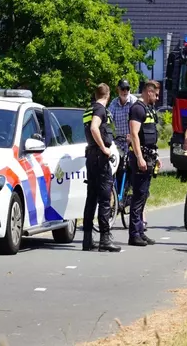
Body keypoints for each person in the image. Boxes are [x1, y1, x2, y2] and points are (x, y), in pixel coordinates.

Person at [81, 83, 121, 252]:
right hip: (100, 157)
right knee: (105, 199)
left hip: (91, 156)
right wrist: (105, 149)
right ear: (108, 95)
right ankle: (105, 238)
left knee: (91, 198)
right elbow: (94, 128)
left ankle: (87, 239)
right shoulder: (100, 110)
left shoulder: (89, 109)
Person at [128, 80, 161, 247]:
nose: (157, 97)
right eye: (155, 94)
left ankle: (140, 231)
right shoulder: (137, 108)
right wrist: (139, 157)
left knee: (144, 195)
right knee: (138, 196)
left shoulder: (148, 109)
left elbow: (150, 136)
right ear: (148, 91)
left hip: (149, 157)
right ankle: (134, 234)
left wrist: (156, 157)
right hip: (140, 158)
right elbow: (134, 134)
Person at [108, 79, 137, 191]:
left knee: (133, 168)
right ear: (118, 90)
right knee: (118, 168)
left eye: (127, 89)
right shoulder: (114, 103)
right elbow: (108, 119)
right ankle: (118, 195)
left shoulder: (134, 102)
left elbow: (139, 121)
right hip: (119, 142)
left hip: (133, 141)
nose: (125, 91)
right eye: (123, 89)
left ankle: (131, 193)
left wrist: (133, 136)